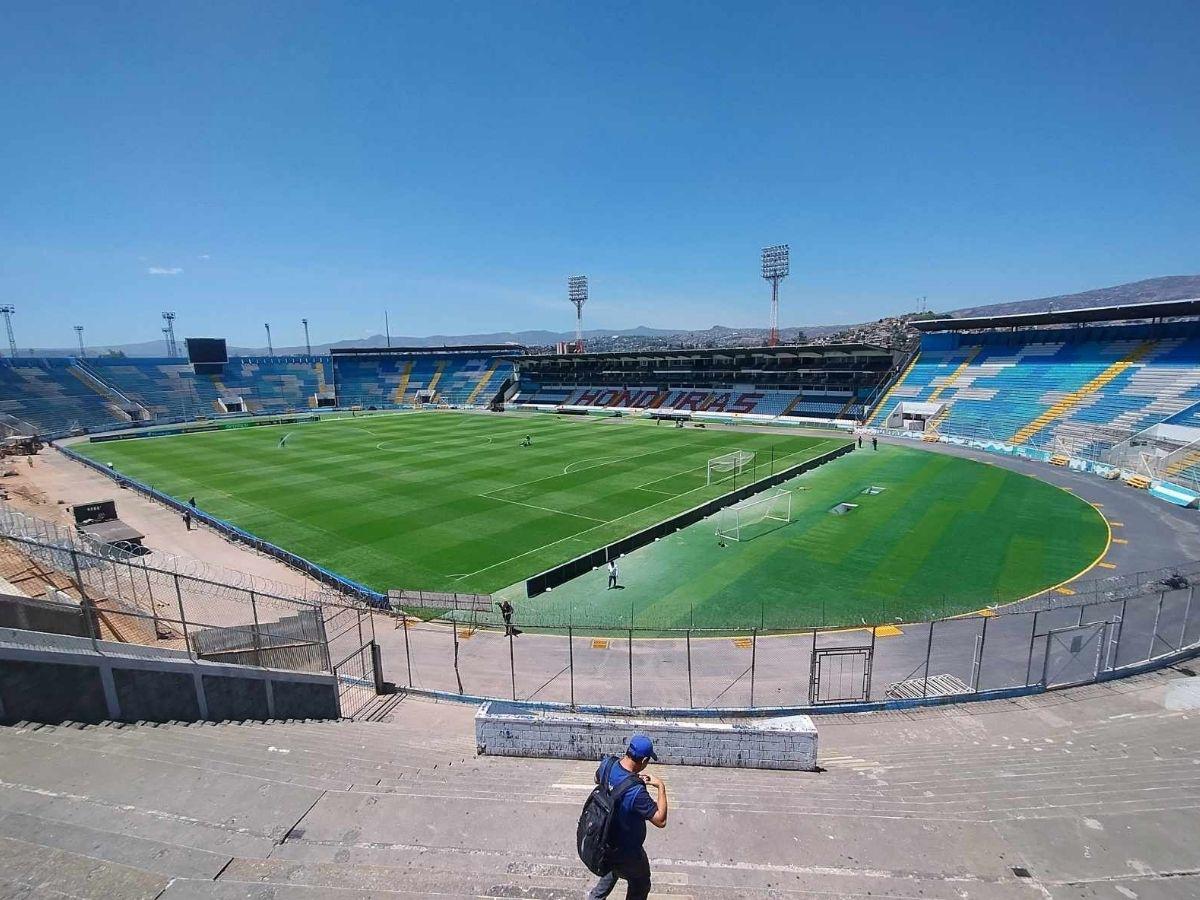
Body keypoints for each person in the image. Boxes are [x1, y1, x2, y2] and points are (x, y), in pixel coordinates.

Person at [587, 734, 668, 900]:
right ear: (644, 760)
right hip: (627, 850)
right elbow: (661, 820)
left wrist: (624, 780)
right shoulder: (636, 792)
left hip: (604, 840)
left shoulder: (607, 764)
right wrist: (660, 786)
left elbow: (597, 779)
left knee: (611, 869)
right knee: (641, 883)